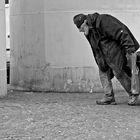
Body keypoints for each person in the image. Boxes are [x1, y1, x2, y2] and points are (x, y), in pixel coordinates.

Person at [73, 12, 140, 105]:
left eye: (80, 27)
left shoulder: (103, 20)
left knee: (119, 72)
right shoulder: (89, 30)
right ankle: (109, 96)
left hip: (116, 52)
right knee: (102, 71)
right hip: (105, 55)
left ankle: (134, 95)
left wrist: (129, 49)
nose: (80, 30)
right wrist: (99, 60)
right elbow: (95, 47)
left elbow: (121, 31)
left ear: (85, 22)